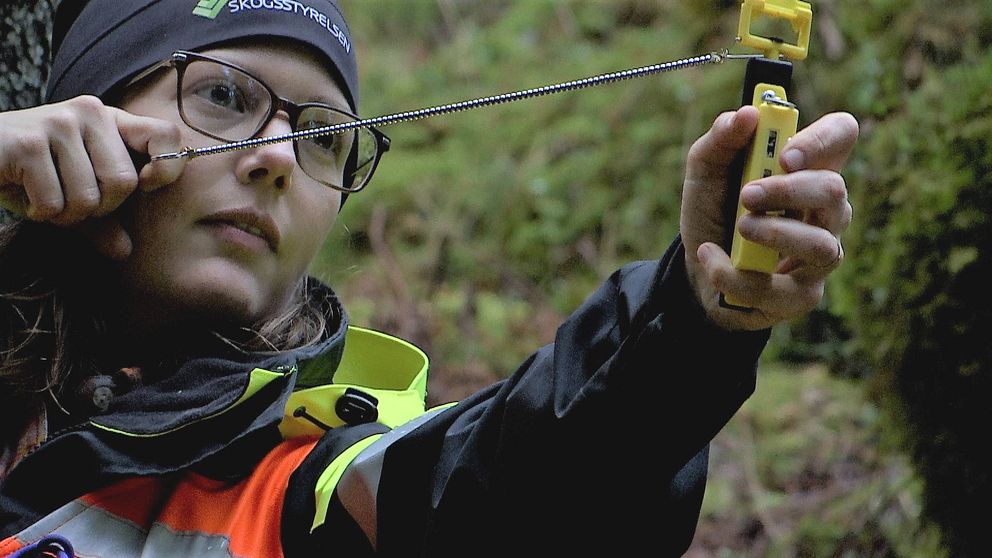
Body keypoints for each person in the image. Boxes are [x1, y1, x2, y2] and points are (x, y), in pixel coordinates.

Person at [0, 0, 857, 556]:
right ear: (90, 117)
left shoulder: (300, 477)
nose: (274, 160)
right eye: (224, 96)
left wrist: (689, 327)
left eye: (324, 137)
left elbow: (504, 487)